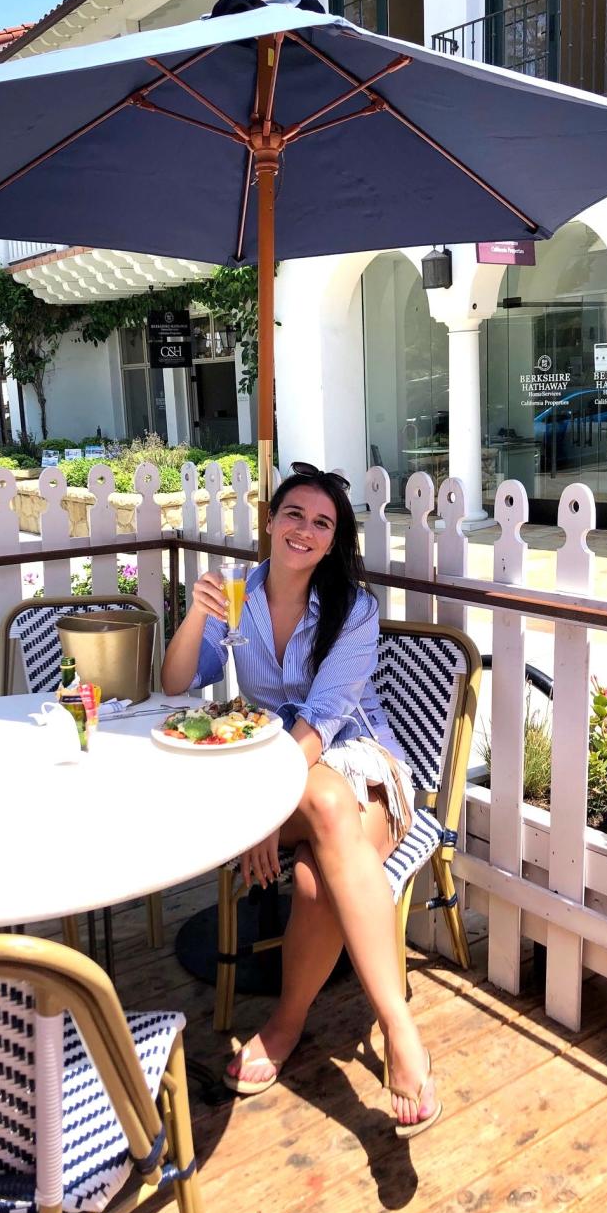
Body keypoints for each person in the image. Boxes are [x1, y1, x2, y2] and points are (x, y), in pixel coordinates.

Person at [161, 462, 440, 1138]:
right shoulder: (236, 595)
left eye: (322, 523)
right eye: (295, 515)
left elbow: (322, 722)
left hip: (359, 766)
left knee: (316, 877)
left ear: (333, 538)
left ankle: (291, 1028)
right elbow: (174, 685)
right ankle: (396, 1032)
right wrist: (195, 615)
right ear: (270, 520)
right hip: (277, 777)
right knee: (319, 820)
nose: (305, 530)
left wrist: (270, 810)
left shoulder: (354, 611)